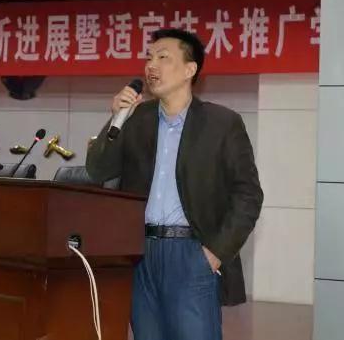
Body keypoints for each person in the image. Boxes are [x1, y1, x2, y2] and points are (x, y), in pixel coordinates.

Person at [86, 28, 263, 340]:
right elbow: (98, 169)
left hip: (191, 253)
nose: (151, 66)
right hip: (141, 255)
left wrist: (214, 254)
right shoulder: (136, 119)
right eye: (149, 58)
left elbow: (248, 195)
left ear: (189, 70)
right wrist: (116, 119)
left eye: (163, 57)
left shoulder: (222, 123)